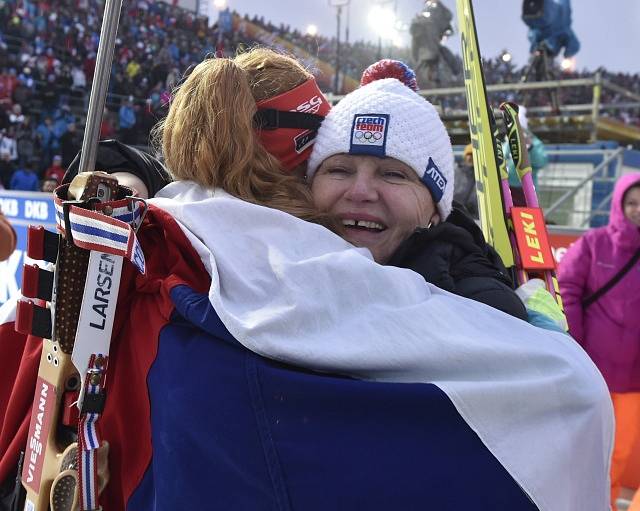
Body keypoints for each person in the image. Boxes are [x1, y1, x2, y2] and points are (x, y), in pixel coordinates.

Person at [0, 50, 612, 511]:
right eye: (336, 166)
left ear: (436, 203)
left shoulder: (166, 235)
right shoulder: (290, 263)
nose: (359, 191)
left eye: (394, 175)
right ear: (296, 171)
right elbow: (568, 395)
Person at [558, 172, 640, 510]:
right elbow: (567, 290)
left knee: (619, 454)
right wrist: (576, 345)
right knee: (584, 448)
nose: (638, 210)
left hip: (634, 380)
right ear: (620, 204)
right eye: (632, 203)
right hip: (594, 370)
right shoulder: (594, 243)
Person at [501, 105, 548, 206]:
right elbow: (502, 162)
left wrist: (530, 147)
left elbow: (541, 162)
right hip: (507, 189)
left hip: (526, 190)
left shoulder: (534, 143)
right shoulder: (505, 143)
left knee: (525, 219)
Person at [453, 143, 479, 217]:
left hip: (473, 214)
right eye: (468, 154)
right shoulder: (456, 170)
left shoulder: (479, 175)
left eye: (473, 154)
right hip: (455, 210)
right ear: (465, 156)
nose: (470, 157)